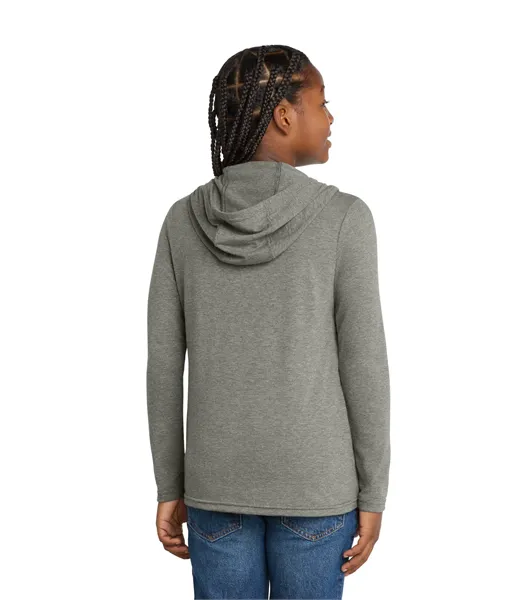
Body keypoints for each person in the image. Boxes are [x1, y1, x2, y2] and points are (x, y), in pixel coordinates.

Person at [146, 44, 391, 600]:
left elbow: (163, 364)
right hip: (316, 487)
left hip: (214, 483)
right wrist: (374, 492)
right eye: (321, 103)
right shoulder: (344, 218)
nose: (330, 118)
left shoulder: (182, 221)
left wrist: (169, 484)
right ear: (284, 115)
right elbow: (364, 364)